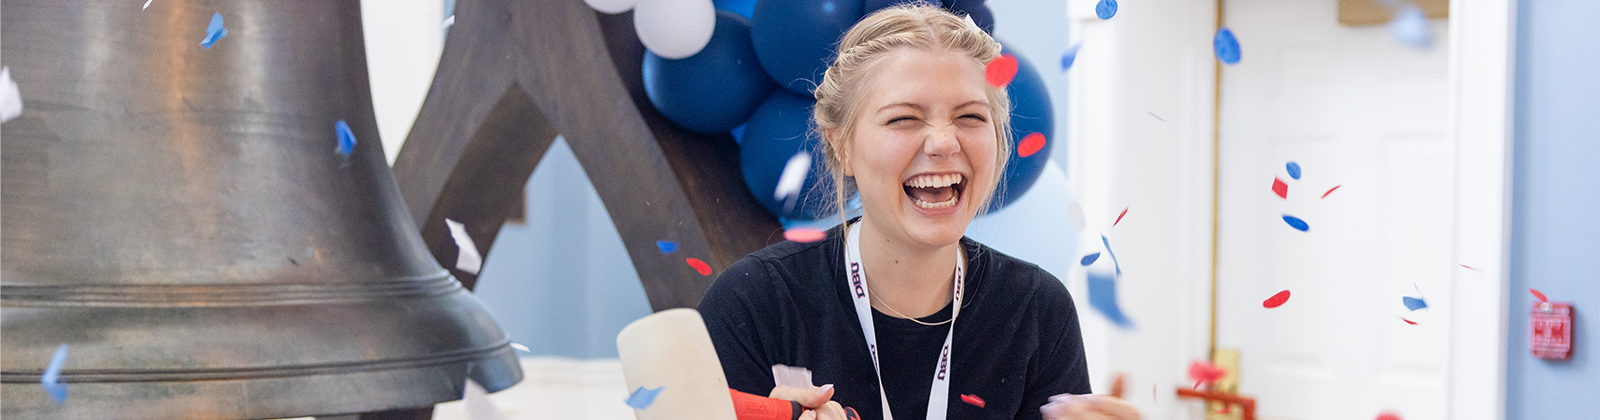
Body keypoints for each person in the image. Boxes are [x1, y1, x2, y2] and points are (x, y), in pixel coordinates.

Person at [698, 4, 1139, 420]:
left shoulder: (1038, 310)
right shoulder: (754, 302)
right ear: (841, 144)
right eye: (904, 119)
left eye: (970, 117)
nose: (944, 142)